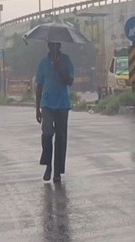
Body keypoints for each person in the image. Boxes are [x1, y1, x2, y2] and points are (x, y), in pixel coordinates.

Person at [35, 42, 74, 183]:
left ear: (60, 45)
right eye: (51, 45)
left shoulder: (66, 60)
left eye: (56, 45)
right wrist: (37, 109)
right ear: (48, 46)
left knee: (61, 139)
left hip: (62, 104)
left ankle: (57, 171)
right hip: (47, 104)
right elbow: (39, 85)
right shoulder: (43, 63)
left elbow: (70, 81)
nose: (54, 47)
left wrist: (60, 70)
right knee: (47, 134)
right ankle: (48, 166)